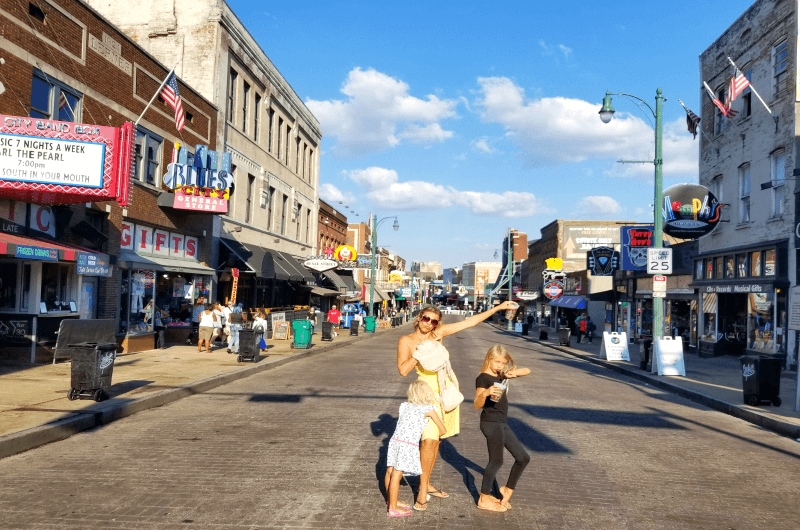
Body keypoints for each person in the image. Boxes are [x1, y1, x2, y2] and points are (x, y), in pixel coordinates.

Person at [396, 300, 517, 511]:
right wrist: (419, 353)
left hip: (445, 392)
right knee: (428, 441)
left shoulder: (437, 334)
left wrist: (498, 308)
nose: (429, 324)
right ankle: (422, 491)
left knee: (436, 442)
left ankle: (426, 483)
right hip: (425, 395)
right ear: (418, 318)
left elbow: (470, 322)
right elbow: (403, 370)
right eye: (426, 319)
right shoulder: (406, 340)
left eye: (434, 321)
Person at [474, 345, 531, 512]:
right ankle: (483, 498)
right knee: (496, 461)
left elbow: (527, 370)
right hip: (490, 422)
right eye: (496, 361)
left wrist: (513, 372)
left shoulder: (501, 375)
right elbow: (477, 405)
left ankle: (507, 490)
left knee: (523, 458)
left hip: (501, 422)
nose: (499, 365)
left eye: (503, 362)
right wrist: (486, 393)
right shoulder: (483, 378)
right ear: (488, 360)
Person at [384, 380, 446, 517]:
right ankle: (393, 509)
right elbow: (442, 430)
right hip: (408, 444)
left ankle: (391, 501)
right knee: (397, 474)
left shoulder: (404, 406)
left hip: (394, 441)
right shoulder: (429, 409)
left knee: (390, 471)